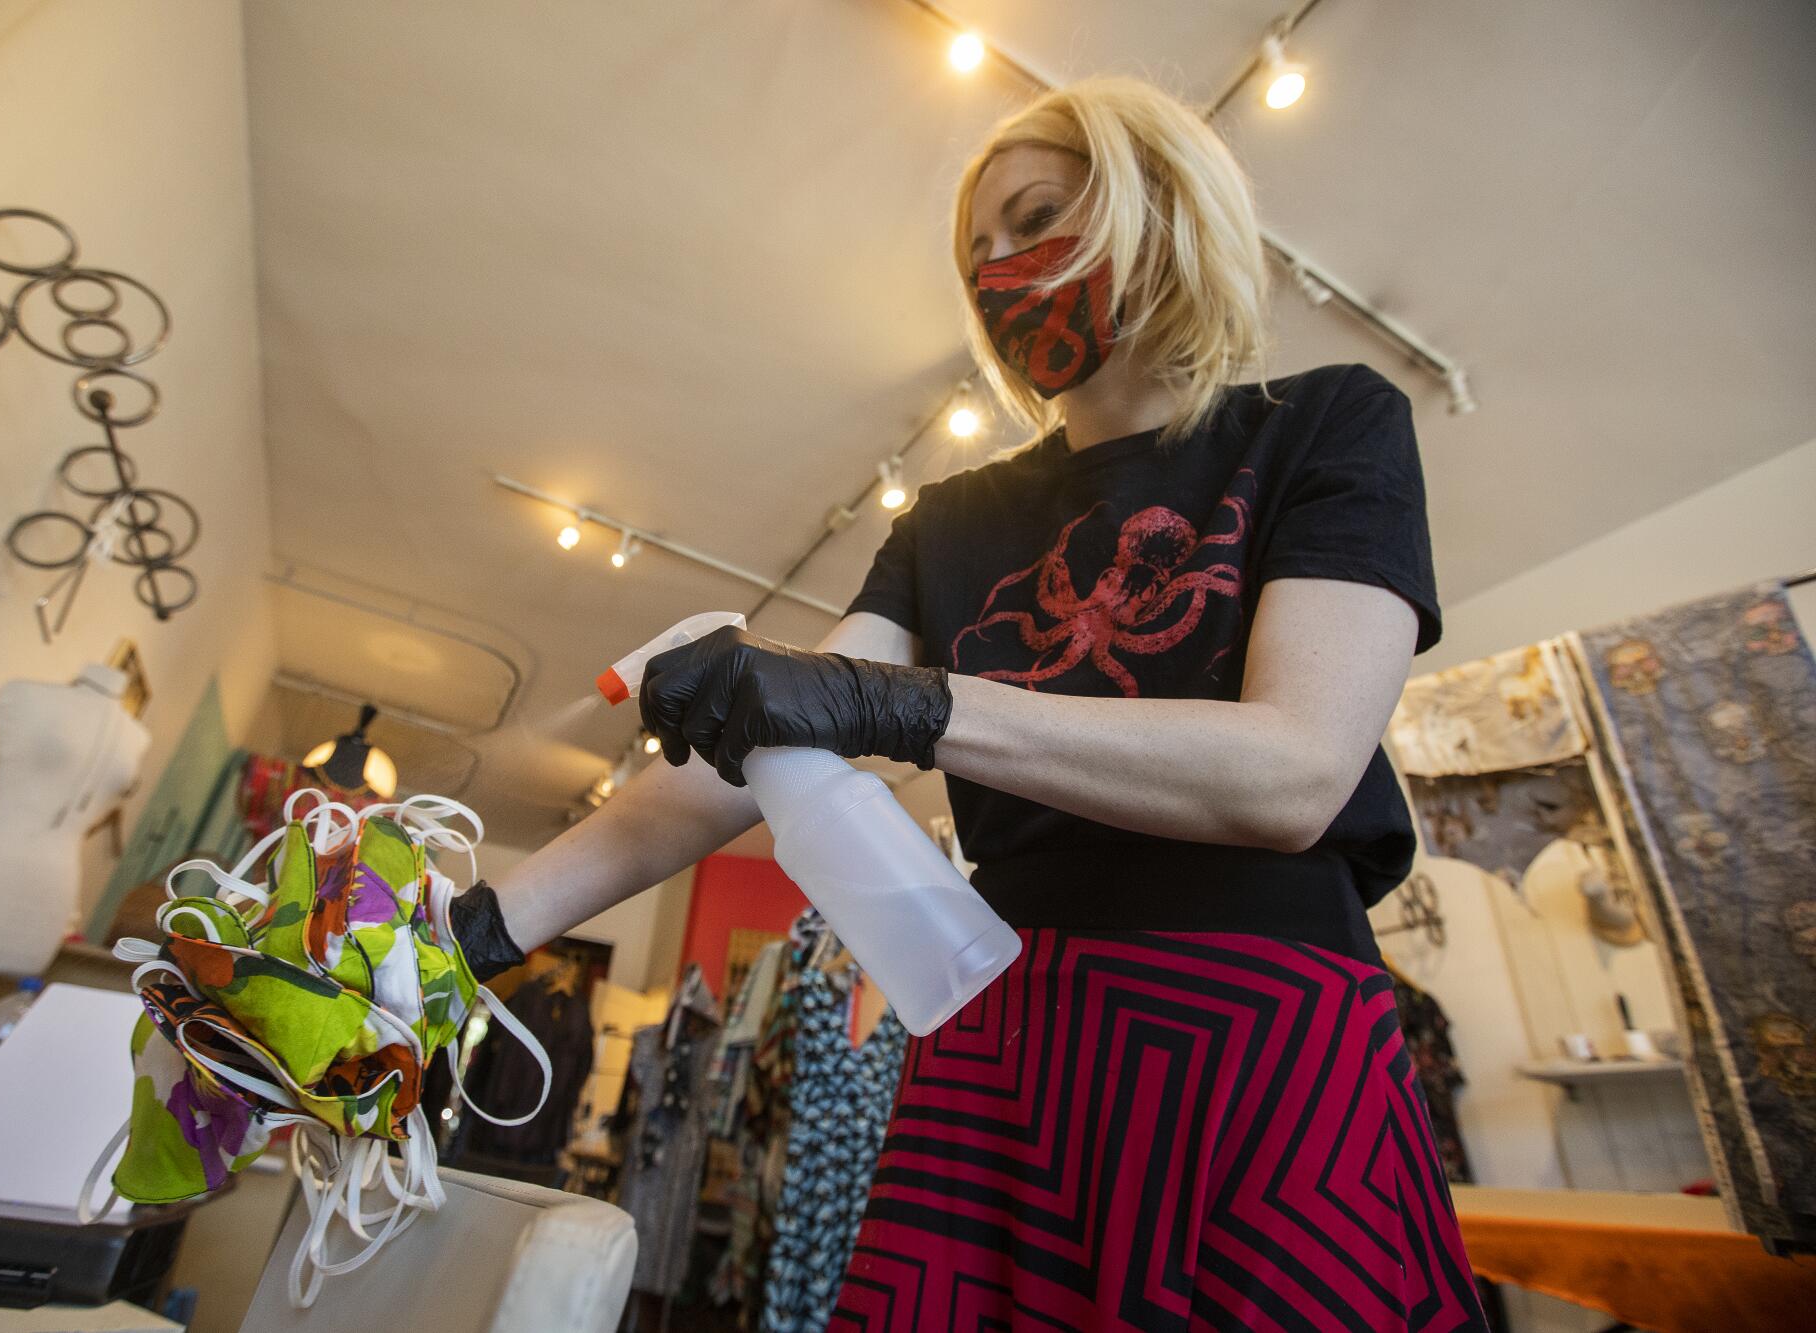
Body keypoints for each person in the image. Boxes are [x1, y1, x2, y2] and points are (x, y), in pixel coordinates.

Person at [451, 75, 1488, 1331]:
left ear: (1156, 210)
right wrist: (475, 936)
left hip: (1259, 1034)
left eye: (1036, 216)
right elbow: (740, 758)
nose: (998, 268)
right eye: (974, 251)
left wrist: (896, 704)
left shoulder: (1323, 426)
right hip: (1009, 1037)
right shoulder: (950, 523)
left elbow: (1292, 770)